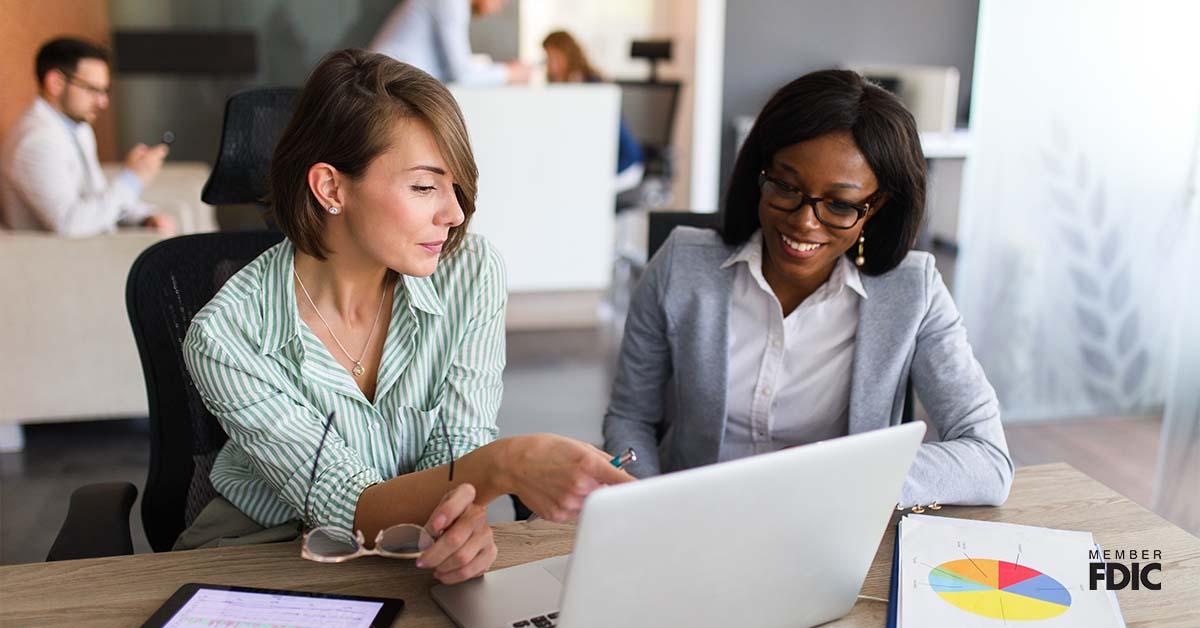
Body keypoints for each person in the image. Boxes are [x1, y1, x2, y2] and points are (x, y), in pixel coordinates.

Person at [179, 50, 631, 583]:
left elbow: (460, 447)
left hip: (407, 545)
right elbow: (341, 505)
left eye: (455, 185)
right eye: (424, 186)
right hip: (259, 556)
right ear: (331, 188)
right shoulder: (226, 335)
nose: (455, 213)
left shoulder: (470, 273)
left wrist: (462, 520)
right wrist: (505, 465)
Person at [604, 69, 1013, 507]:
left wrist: (840, 476)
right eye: (786, 186)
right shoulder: (681, 264)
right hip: (690, 519)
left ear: (876, 207)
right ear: (761, 173)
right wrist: (646, 506)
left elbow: (988, 459)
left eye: (839, 204)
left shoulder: (915, 292)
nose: (803, 221)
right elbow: (631, 418)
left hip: (830, 527)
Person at [0, 37, 175, 236]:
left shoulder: (78, 127)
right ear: (56, 83)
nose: (103, 102)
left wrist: (144, 217)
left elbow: (97, 196)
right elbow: (70, 226)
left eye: (105, 91)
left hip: (92, 249)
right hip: (59, 259)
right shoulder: (35, 142)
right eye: (92, 89)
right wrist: (132, 178)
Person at [542, 30, 644, 192]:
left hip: (622, 165)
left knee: (582, 191)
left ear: (567, 54)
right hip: (597, 165)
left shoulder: (592, 88)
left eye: (553, 57)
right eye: (547, 59)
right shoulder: (562, 89)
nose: (549, 65)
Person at [370, 0, 530, 86]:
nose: (499, 7)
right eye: (502, 2)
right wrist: (509, 73)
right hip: (384, 84)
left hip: (391, 81)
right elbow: (462, 75)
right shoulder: (451, 3)